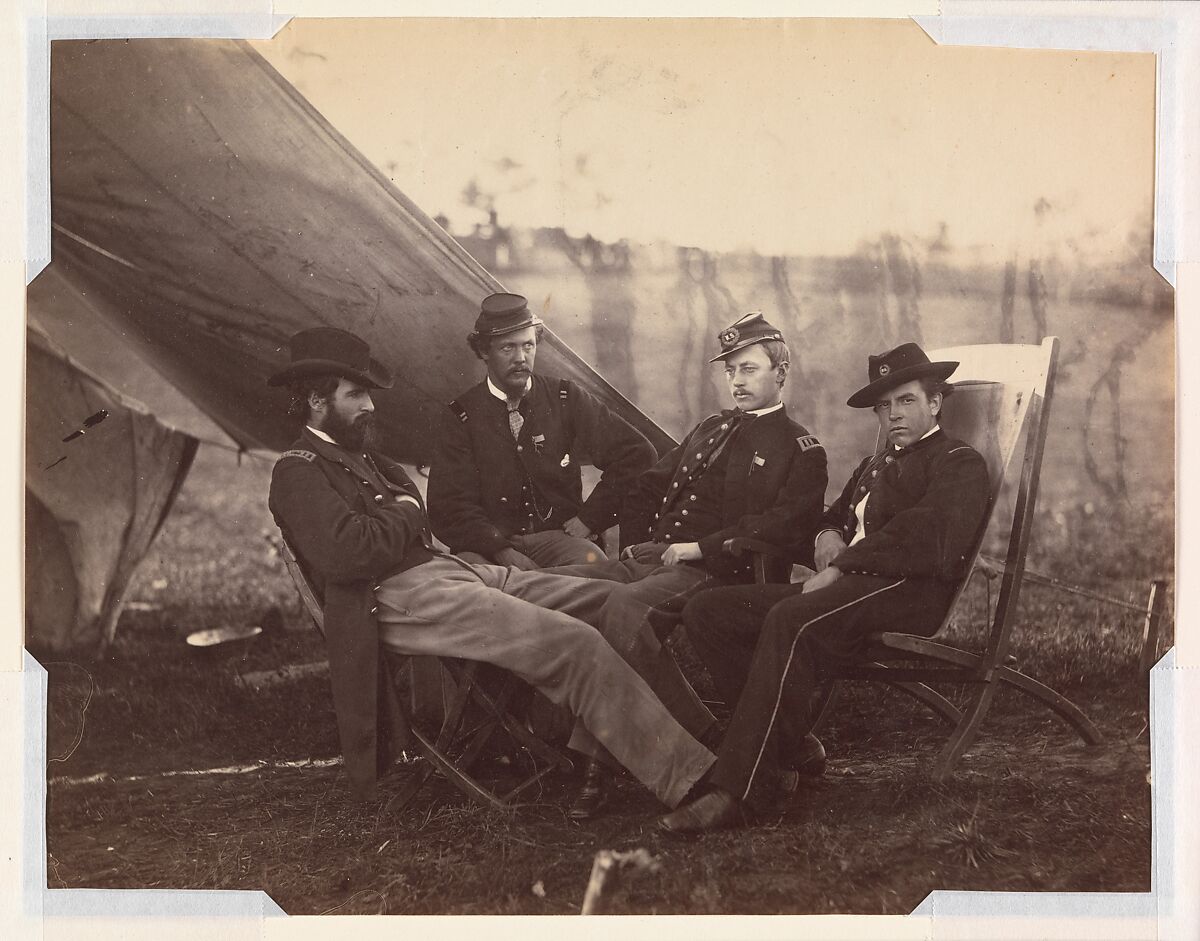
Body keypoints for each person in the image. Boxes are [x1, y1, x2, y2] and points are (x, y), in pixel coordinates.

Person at [266, 326, 713, 808]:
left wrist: (400, 513)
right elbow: (352, 552)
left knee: (615, 597)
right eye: (356, 395)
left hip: (448, 573)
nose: (371, 407)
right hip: (401, 599)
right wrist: (405, 511)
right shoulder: (299, 471)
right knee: (575, 642)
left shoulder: (360, 456)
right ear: (316, 400)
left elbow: (396, 519)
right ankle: (693, 781)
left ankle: (704, 732)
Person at [660, 342, 992, 833]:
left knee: (789, 619)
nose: (893, 414)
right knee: (710, 612)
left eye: (905, 401)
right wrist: (827, 535)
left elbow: (927, 538)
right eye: (884, 406)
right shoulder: (873, 465)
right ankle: (791, 747)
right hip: (849, 589)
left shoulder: (957, 462)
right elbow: (832, 517)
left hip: (904, 593)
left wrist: (843, 564)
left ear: (935, 403)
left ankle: (743, 790)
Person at [547, 311, 829, 818]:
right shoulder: (710, 428)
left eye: (749, 369)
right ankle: (707, 731)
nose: (737, 381)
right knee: (553, 590)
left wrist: (701, 549)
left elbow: (785, 524)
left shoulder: (799, 448)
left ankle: (597, 767)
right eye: (731, 371)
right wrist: (635, 546)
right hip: (658, 560)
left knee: (622, 611)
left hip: (719, 572)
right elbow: (646, 486)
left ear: (780, 373)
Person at [427, 292, 657, 569]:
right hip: (488, 546)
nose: (521, 358)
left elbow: (637, 454)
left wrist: (589, 519)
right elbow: (449, 505)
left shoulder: (565, 397)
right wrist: (501, 550)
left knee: (592, 567)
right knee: (469, 581)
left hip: (559, 540)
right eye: (507, 348)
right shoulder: (460, 415)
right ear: (484, 352)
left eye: (528, 345)